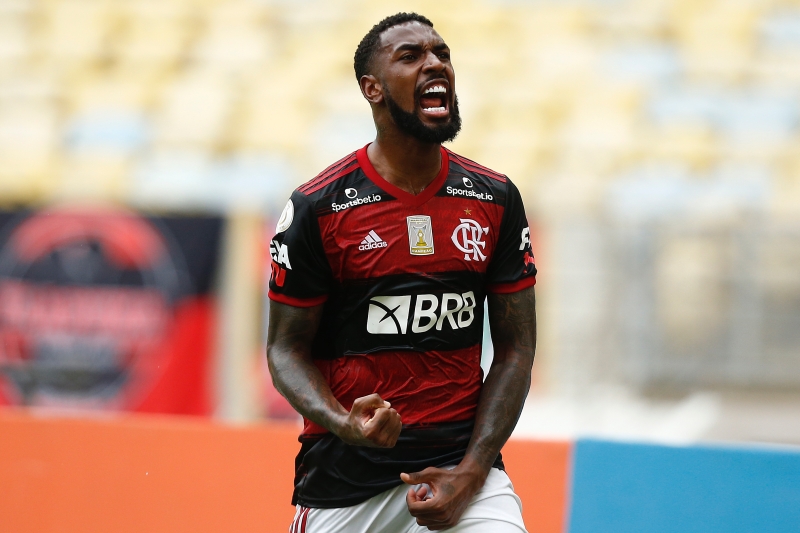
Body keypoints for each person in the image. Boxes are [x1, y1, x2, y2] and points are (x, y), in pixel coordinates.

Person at [266, 12, 537, 533]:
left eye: (442, 53)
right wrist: (344, 422)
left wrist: (472, 472)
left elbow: (516, 351)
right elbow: (284, 351)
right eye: (411, 57)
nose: (435, 64)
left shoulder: (495, 198)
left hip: (460, 473)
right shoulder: (318, 207)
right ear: (372, 88)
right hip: (346, 482)